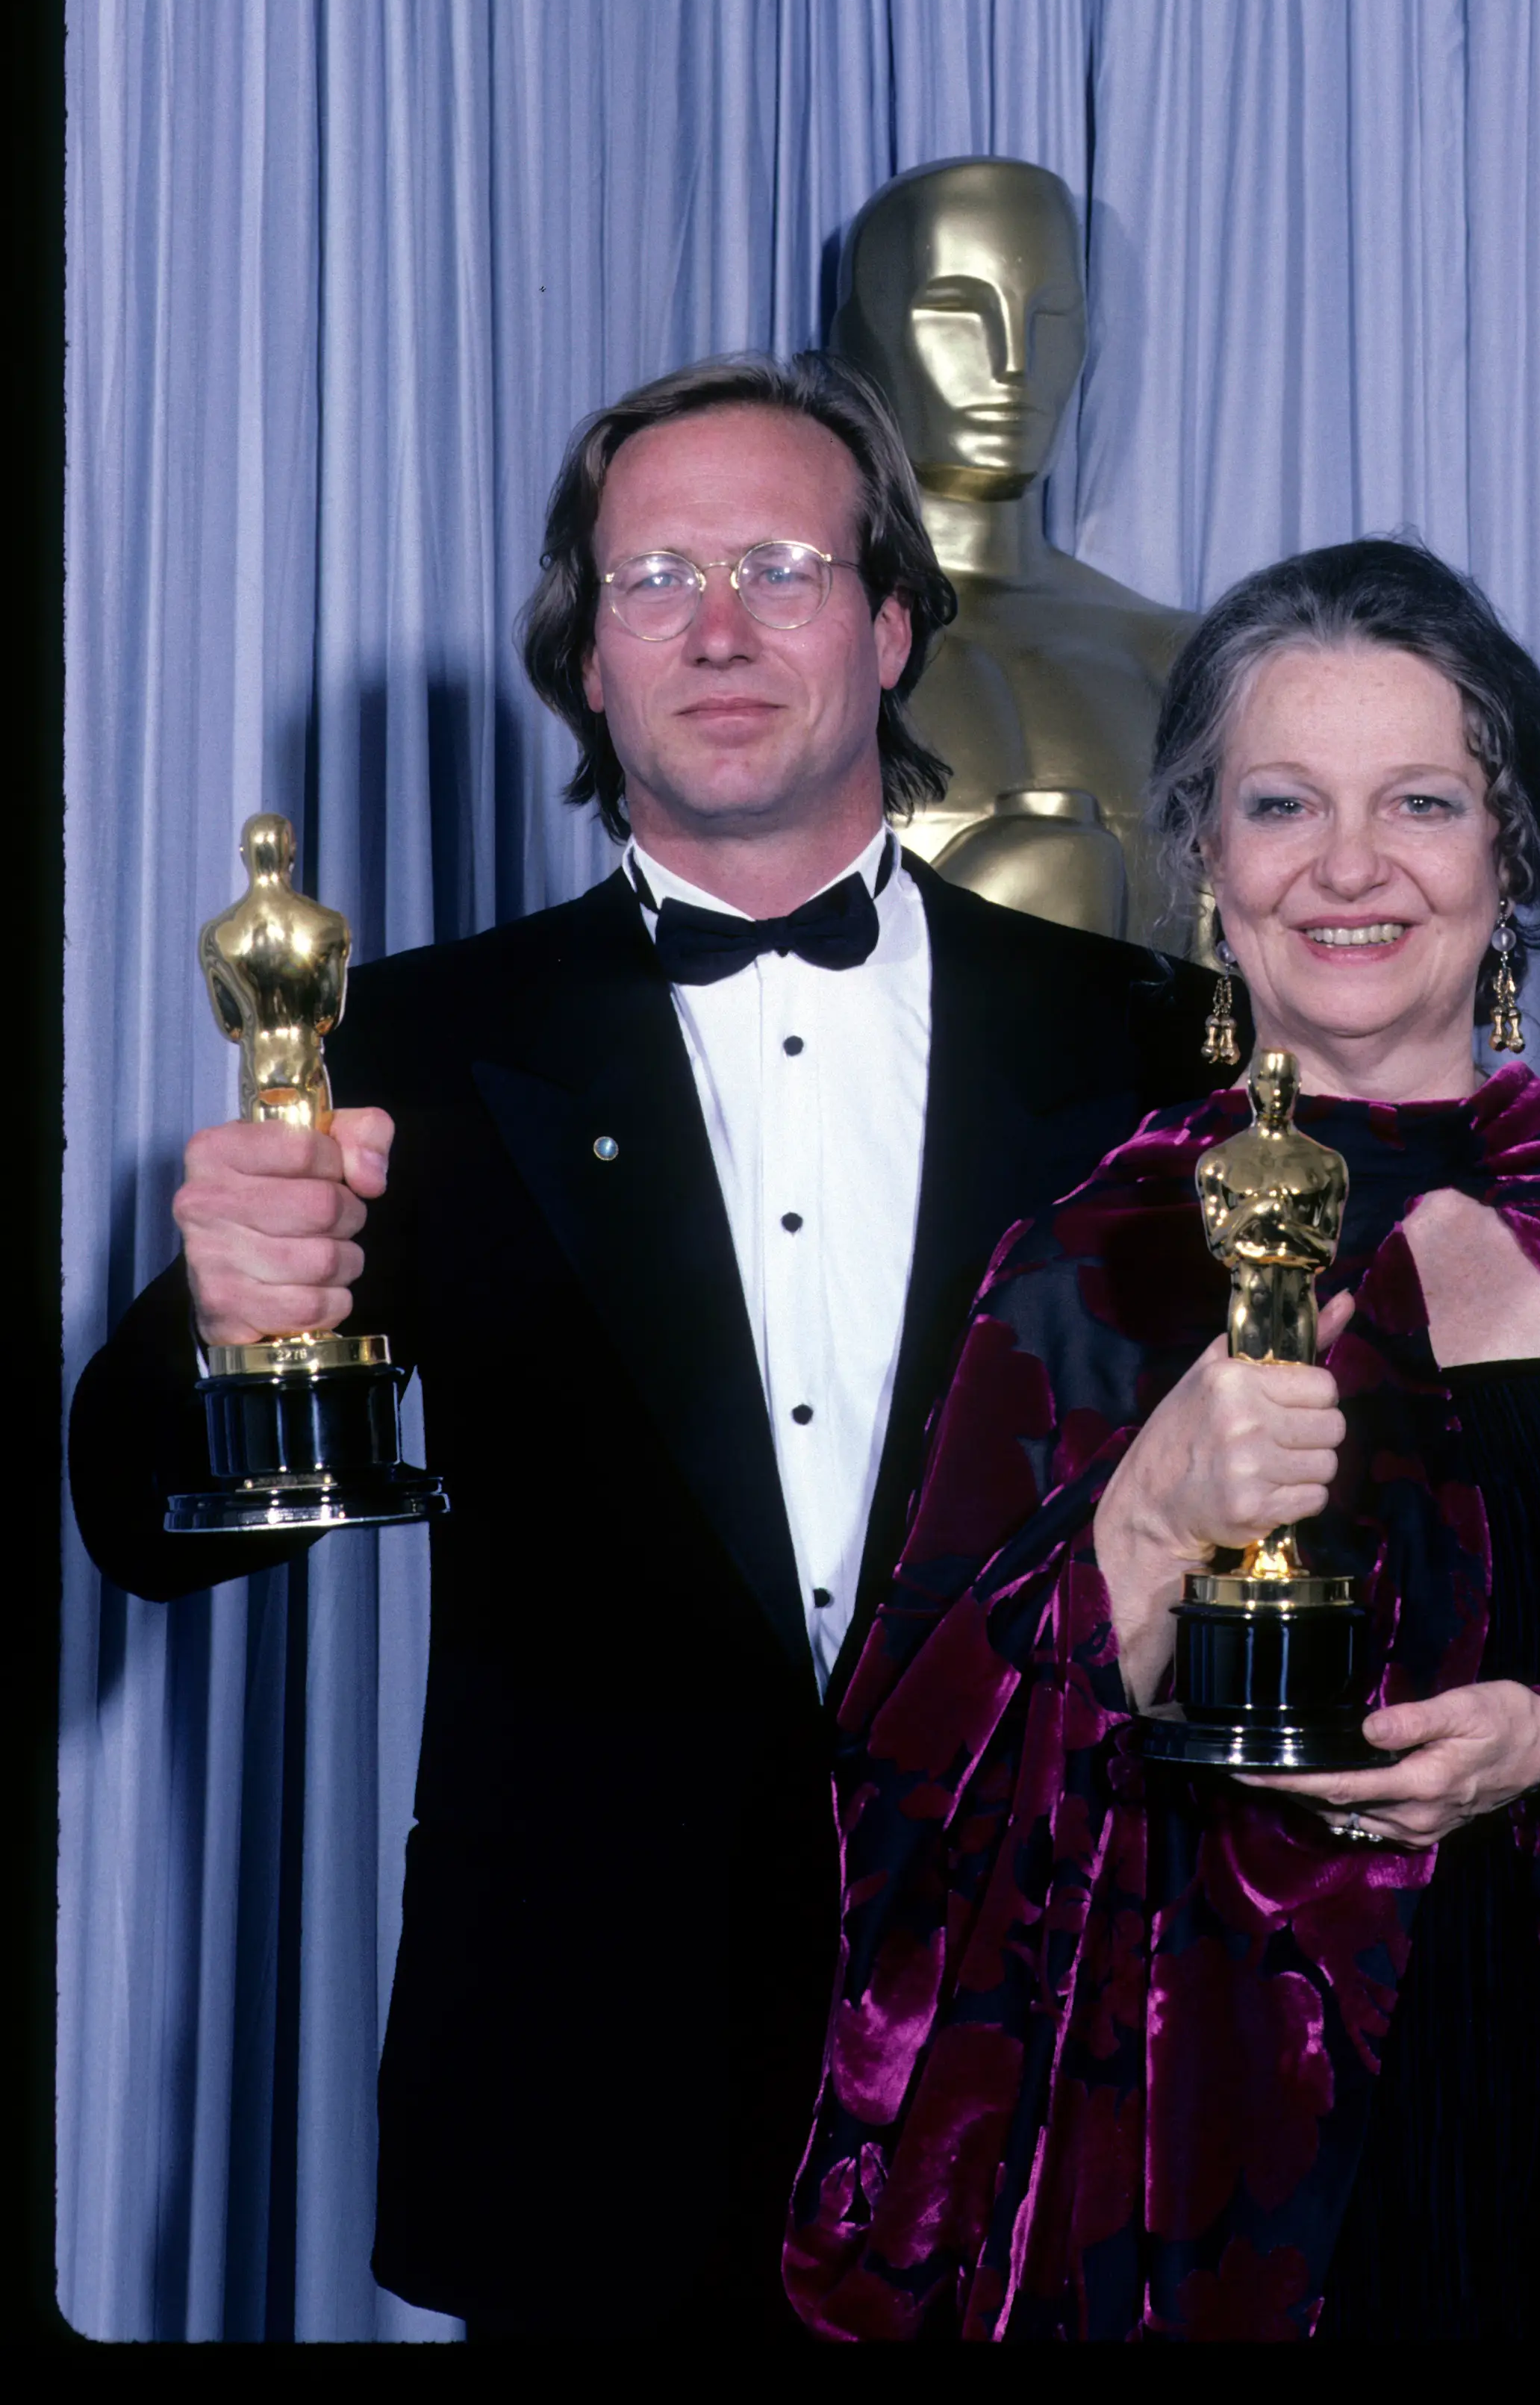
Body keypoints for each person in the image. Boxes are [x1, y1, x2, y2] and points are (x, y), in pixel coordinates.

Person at [66, 352, 1219, 2342]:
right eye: (649, 580)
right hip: (589, 2093)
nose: (714, 626)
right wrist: (226, 1322)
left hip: (1052, 2049)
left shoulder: (1147, 1036)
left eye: (776, 564)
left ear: (884, 623)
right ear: (581, 663)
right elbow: (149, 1526)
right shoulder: (418, 1045)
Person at [785, 536, 1540, 2342]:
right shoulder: (1087, 1261)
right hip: (1210, 2184)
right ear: (1206, 859)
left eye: (1424, 801)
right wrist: (1140, 1526)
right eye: (1283, 801)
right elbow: (901, 1785)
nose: (1352, 866)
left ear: (1508, 856)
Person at [832, 158, 1194, 943]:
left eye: (1053, 317)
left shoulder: (1179, 659)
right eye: (958, 310)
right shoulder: (802, 653)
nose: (1013, 364)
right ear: (859, 338)